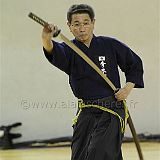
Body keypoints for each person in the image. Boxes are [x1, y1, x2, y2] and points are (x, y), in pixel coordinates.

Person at [42, 4, 144, 160]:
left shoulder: (109, 44)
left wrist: (127, 88)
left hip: (111, 110)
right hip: (85, 112)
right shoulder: (69, 49)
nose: (82, 28)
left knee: (99, 152)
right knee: (80, 155)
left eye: (86, 23)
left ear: (93, 23)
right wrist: (46, 38)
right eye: (76, 24)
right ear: (69, 26)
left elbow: (134, 64)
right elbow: (53, 51)